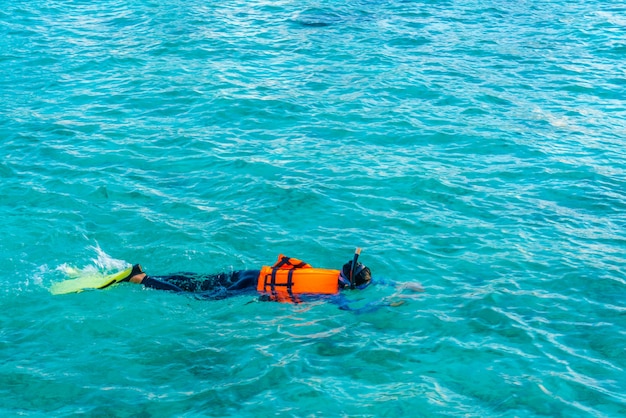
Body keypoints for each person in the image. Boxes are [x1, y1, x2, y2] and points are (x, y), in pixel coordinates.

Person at [123, 252, 374, 304]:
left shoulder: (333, 275)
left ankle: (150, 274)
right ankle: (143, 279)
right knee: (197, 294)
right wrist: (384, 305)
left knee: (201, 280)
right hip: (252, 286)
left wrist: (400, 287)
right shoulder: (335, 296)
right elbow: (356, 312)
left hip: (254, 274)